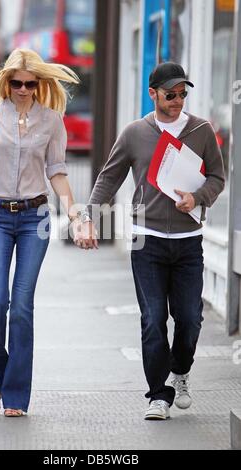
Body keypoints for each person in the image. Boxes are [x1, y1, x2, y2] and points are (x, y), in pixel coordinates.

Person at [74, 62, 225, 420]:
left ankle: (181, 371)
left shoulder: (202, 130)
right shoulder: (134, 133)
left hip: (189, 241)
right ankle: (159, 394)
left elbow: (218, 177)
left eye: (182, 94)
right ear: (153, 93)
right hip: (148, 241)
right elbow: (108, 179)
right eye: (170, 94)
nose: (177, 101)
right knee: (153, 318)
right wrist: (87, 220)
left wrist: (198, 197)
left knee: (189, 318)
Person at [0, 48, 91, 417]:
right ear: (6, 82)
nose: (21, 89)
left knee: (21, 308)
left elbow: (58, 172)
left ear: (39, 83)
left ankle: (16, 395)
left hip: (35, 217)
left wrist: (76, 216)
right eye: (15, 83)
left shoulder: (51, 120)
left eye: (29, 84)